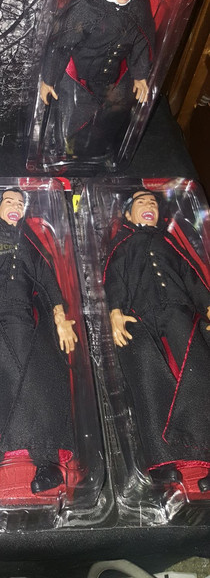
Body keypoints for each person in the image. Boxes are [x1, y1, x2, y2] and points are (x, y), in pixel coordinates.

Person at [0, 187, 78, 494]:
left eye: (20, 203)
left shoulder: (30, 244)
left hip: (22, 318)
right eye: (9, 201)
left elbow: (47, 282)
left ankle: (46, 463)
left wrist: (60, 319)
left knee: (32, 383)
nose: (15, 206)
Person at [103, 189, 210, 491]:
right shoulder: (122, 244)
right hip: (139, 314)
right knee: (147, 381)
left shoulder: (169, 242)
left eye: (152, 202)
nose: (148, 205)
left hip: (179, 310)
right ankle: (163, 462)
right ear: (127, 214)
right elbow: (114, 278)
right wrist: (114, 312)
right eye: (141, 202)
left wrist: (206, 305)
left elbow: (191, 276)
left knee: (198, 372)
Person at [39, 0, 155, 159]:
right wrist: (48, 79)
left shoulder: (139, 4)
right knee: (73, 120)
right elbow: (61, 44)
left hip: (112, 79)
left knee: (112, 116)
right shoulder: (86, 6)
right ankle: (65, 151)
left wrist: (140, 75)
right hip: (79, 80)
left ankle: (98, 153)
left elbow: (141, 40)